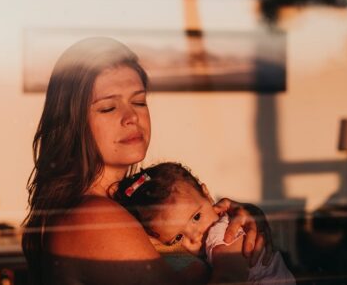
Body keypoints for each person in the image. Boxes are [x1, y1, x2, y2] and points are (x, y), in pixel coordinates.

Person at [22, 37, 274, 284]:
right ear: (72, 122)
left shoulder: (129, 206)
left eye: (139, 101)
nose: (131, 116)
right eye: (109, 107)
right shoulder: (94, 217)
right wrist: (233, 254)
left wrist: (236, 228)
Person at [114, 162, 296, 284]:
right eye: (178, 237)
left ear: (207, 194)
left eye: (196, 217)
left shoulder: (222, 232)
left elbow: (229, 278)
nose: (195, 237)